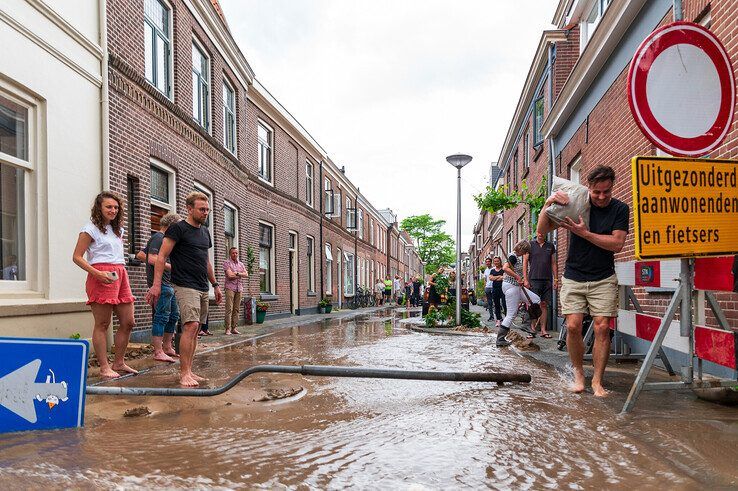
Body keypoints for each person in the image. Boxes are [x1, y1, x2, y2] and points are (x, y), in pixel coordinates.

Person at [537, 164, 628, 397]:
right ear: (589, 187)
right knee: (574, 326)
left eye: (606, 191)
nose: (601, 197)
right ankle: (579, 375)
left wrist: (584, 233)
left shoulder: (620, 209)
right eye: (596, 191)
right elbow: (542, 231)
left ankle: (597, 381)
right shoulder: (577, 202)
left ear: (612, 187)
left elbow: (617, 244)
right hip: (574, 275)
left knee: (602, 327)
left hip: (603, 276)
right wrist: (548, 204)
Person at [145, 191, 223, 387]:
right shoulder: (178, 229)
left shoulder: (205, 233)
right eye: (201, 209)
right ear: (189, 209)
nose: (205, 213)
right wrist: (156, 285)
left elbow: (206, 261)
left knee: (196, 330)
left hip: (202, 286)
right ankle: (184, 373)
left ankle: (190, 370)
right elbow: (161, 257)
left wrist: (215, 285)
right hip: (184, 284)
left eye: (207, 209)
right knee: (190, 326)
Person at [72, 191, 137, 379]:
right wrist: (98, 274)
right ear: (99, 208)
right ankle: (104, 367)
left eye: (116, 207)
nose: (113, 210)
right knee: (102, 323)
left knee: (128, 321)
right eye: (109, 206)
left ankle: (119, 362)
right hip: (100, 274)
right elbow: (76, 257)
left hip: (120, 274)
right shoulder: (90, 229)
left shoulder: (118, 230)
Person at [135, 212, 181, 363]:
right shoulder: (159, 238)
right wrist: (173, 267)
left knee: (173, 315)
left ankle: (167, 347)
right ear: (172, 226)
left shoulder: (161, 239)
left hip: (168, 284)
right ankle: (158, 351)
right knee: (161, 316)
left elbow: (141, 254)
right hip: (161, 283)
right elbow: (153, 258)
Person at [498, 241, 541, 348]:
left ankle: (526, 324)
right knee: (511, 314)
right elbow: (505, 268)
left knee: (535, 300)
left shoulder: (516, 256)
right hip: (511, 287)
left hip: (516, 287)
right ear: (521, 249)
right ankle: (500, 339)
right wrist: (517, 277)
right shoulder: (512, 257)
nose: (525, 254)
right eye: (525, 252)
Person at [528, 230, 558, 338]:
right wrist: (526, 280)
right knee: (533, 305)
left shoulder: (550, 246)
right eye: (539, 231)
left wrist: (556, 279)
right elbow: (525, 262)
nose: (541, 233)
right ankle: (532, 330)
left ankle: (543, 330)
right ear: (536, 232)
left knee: (544, 305)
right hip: (534, 279)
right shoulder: (530, 245)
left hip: (547, 280)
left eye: (543, 231)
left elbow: (554, 263)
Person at [223, 247, 248, 335]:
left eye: (236, 253)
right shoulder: (227, 263)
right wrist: (240, 275)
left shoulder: (241, 264)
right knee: (229, 308)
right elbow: (229, 275)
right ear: (230, 254)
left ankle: (234, 328)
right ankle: (227, 329)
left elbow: (246, 274)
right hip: (230, 288)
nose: (235, 255)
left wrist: (237, 273)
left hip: (239, 288)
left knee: (236, 309)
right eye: (233, 253)